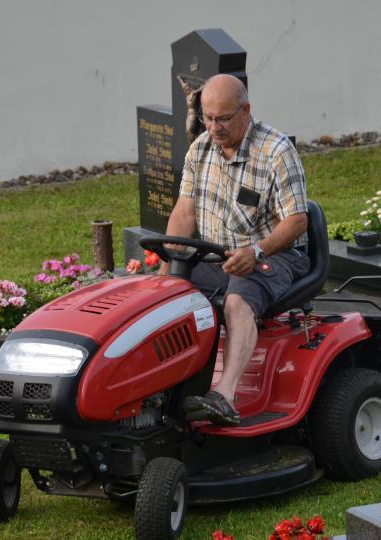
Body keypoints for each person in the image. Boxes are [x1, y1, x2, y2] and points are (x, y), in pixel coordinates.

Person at [161, 74, 309, 425]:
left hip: (274, 255)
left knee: (237, 300)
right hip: (218, 256)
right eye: (208, 118)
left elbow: (297, 221)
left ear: (245, 110)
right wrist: (168, 264)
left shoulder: (276, 152)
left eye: (223, 119)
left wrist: (256, 252)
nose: (214, 127)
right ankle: (167, 387)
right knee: (165, 296)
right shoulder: (200, 149)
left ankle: (224, 396)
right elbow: (185, 212)